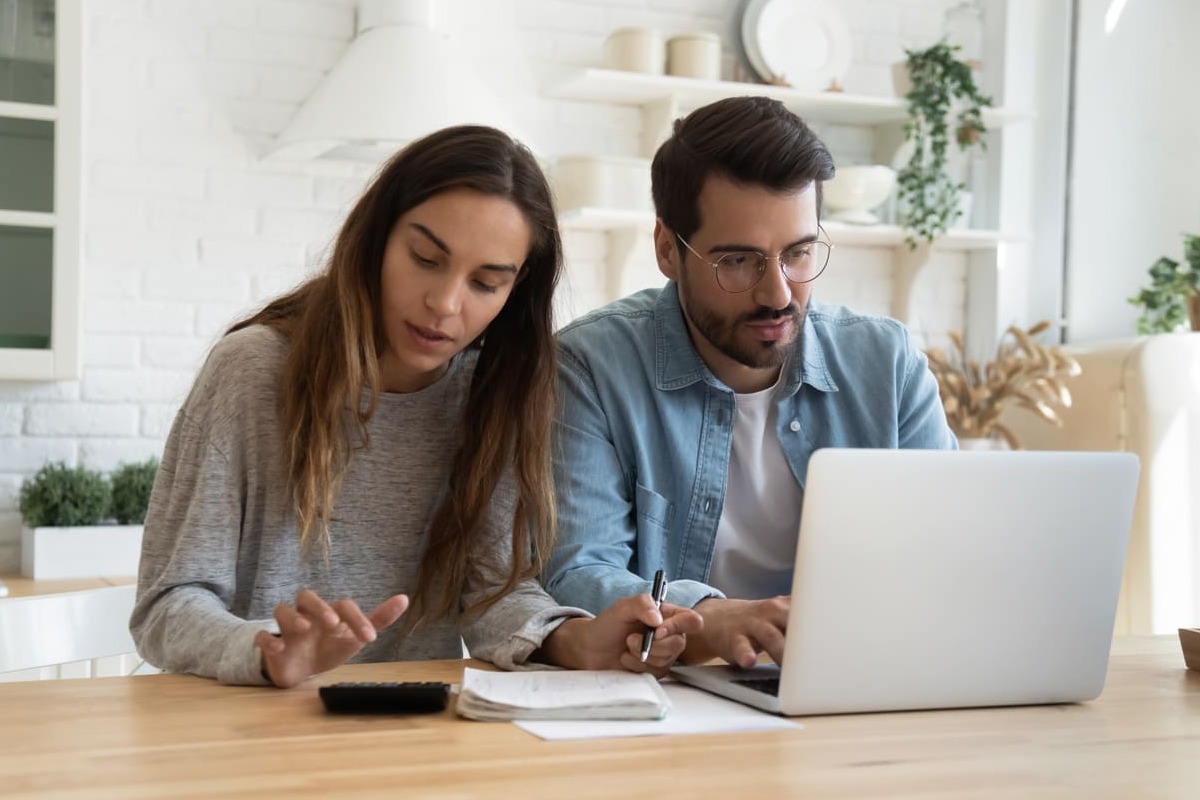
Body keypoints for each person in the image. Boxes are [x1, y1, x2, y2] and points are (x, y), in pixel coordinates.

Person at [130, 125, 701, 689]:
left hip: (408, 731)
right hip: (246, 733)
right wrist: (267, 650)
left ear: (515, 289)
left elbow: (490, 595)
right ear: (378, 237)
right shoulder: (251, 372)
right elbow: (168, 603)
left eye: (485, 282)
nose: (444, 303)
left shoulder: (493, 393)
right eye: (426, 258)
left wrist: (579, 639)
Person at [542, 97, 956, 670]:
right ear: (667, 249)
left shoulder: (887, 364)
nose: (778, 294)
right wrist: (709, 618)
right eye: (738, 261)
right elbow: (576, 570)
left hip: (860, 677)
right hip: (676, 696)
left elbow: (950, 551)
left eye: (799, 253)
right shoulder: (589, 367)